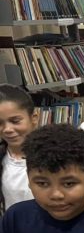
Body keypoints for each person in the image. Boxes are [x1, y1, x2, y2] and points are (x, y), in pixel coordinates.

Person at [0, 85, 39, 215]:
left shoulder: (56, 154)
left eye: (15, 121)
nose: (7, 129)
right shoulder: (3, 158)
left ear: (33, 118)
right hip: (13, 231)